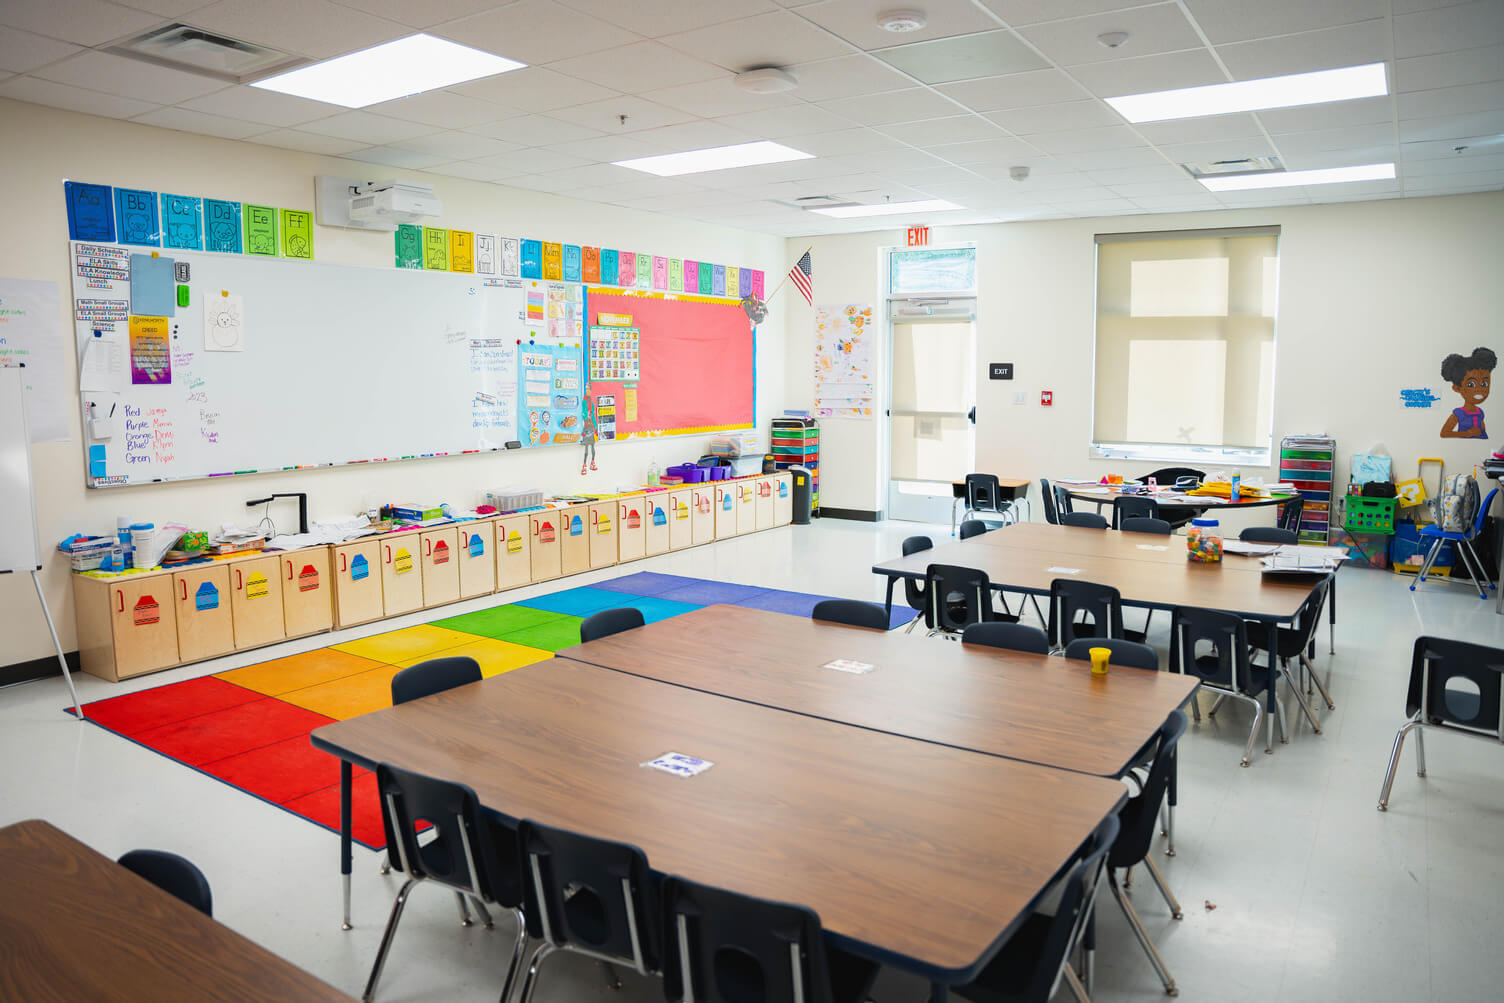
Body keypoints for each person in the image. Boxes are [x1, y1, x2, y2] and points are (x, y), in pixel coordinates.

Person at [1440, 347, 1496, 439]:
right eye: (1471, 384)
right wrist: (1467, 433)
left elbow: (1484, 433)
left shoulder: (1480, 412)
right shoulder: (1459, 413)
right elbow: (1444, 433)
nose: (1479, 390)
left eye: (1484, 383)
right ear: (1457, 388)